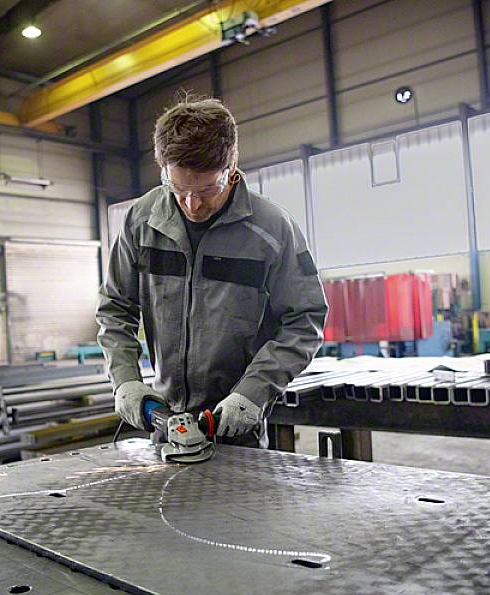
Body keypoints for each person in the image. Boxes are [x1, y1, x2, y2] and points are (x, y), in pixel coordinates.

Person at [96, 97, 327, 448]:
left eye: (207, 189)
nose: (192, 204)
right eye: (178, 189)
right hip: (165, 421)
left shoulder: (272, 231)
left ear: (231, 168)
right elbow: (115, 307)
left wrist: (253, 393)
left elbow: (304, 320)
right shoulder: (141, 222)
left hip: (237, 423)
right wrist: (125, 379)